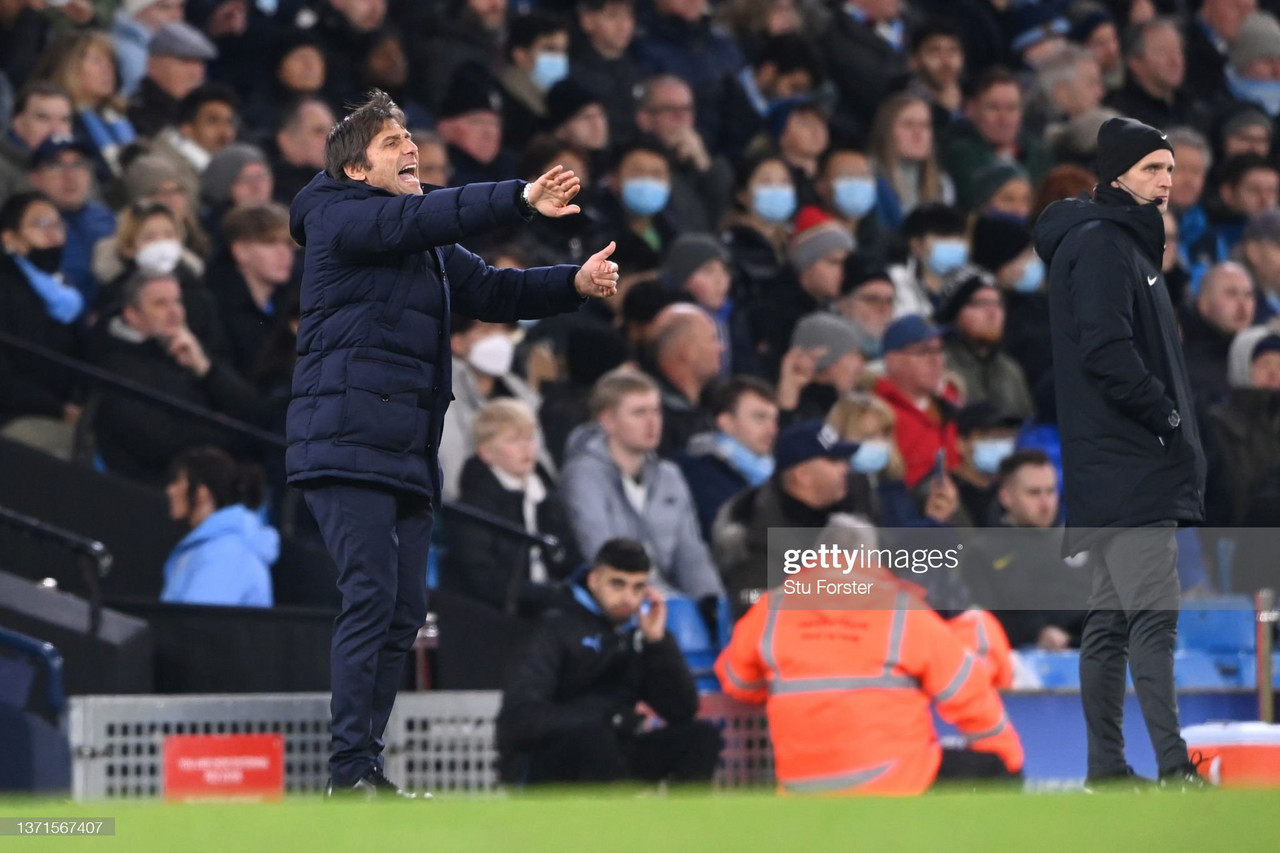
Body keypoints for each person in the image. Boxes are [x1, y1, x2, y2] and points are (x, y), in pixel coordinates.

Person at [285, 89, 619, 799]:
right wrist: (521, 200)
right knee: (371, 596)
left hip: (404, 448)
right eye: (392, 142)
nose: (410, 148)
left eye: (411, 137)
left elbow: (493, 293)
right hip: (344, 441)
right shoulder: (338, 217)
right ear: (354, 170)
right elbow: (425, 213)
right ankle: (348, 773)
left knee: (403, 611)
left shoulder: (415, 233)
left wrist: (574, 283)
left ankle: (364, 767)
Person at [1034, 116, 1208, 789]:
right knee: (1152, 621)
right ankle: (1173, 766)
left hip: (1120, 464)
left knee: (1109, 624)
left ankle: (1108, 769)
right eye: (1151, 170)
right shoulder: (1106, 244)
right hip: (1132, 465)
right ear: (1115, 176)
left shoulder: (1116, 243)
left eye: (1170, 169)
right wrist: (1164, 416)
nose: (1166, 181)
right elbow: (1106, 350)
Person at [715, 519, 1024, 795]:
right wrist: (1009, 759)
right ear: (873, 560)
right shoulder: (903, 611)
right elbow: (967, 692)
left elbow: (736, 681)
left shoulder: (771, 609)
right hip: (898, 780)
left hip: (800, 786)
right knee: (991, 772)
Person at [496, 538, 722, 787]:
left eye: (638, 588)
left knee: (701, 738)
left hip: (614, 750)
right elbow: (520, 719)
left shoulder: (637, 633)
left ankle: (683, 826)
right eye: (618, 584)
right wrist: (607, 718)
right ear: (594, 580)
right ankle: (608, 825)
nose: (628, 598)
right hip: (548, 762)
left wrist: (658, 644)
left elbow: (682, 710)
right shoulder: (554, 626)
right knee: (593, 739)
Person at [559, 368, 725, 609]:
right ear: (608, 421)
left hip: (670, 601)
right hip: (611, 602)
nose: (652, 422)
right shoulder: (582, 474)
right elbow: (599, 551)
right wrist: (660, 597)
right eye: (639, 413)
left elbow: (691, 552)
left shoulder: (670, 475)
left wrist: (711, 601)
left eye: (656, 411)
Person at [442, 399, 581, 617]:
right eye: (514, 440)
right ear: (486, 452)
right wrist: (548, 596)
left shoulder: (548, 497)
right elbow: (483, 580)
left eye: (530, 437)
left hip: (548, 608)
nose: (527, 447)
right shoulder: (472, 507)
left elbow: (570, 556)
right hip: (489, 618)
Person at [161, 446, 276, 607]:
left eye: (178, 482)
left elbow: (197, 626)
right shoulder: (214, 547)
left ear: (202, 493)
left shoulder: (227, 553)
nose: (170, 490)